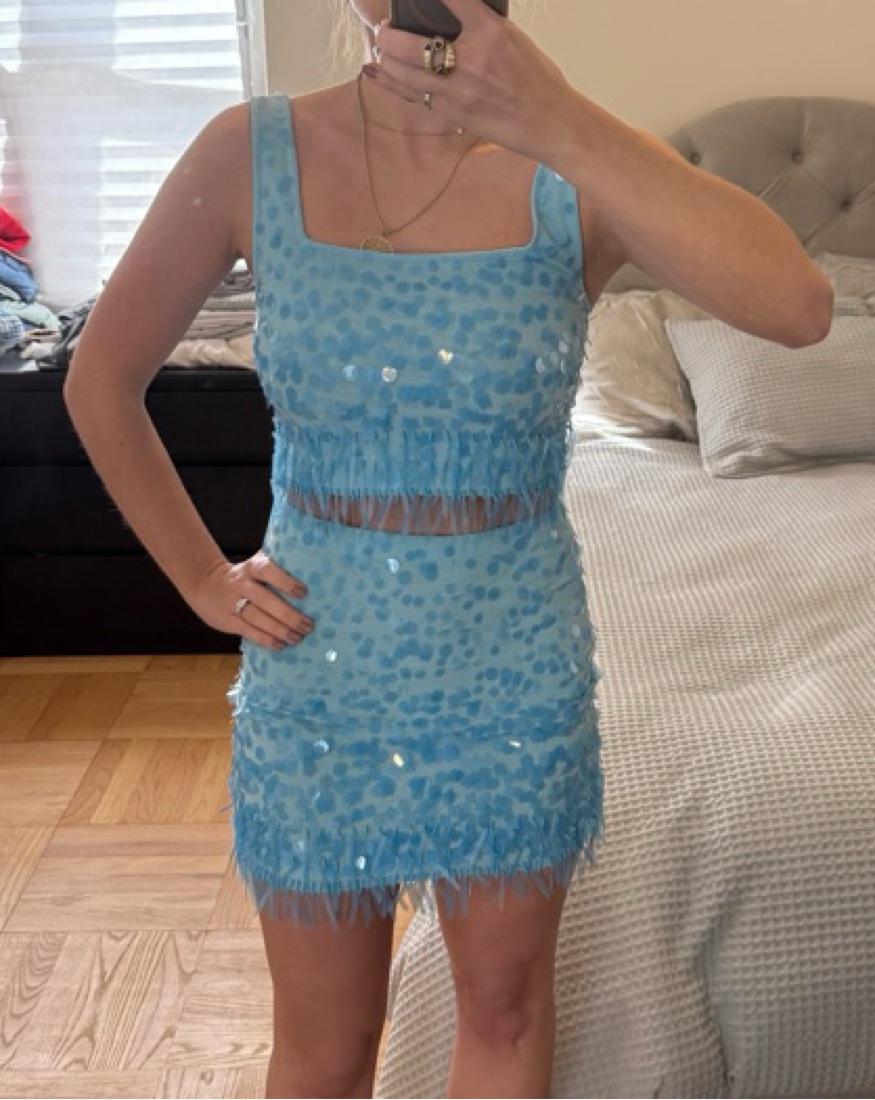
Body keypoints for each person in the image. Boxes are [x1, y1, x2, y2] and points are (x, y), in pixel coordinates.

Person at [64, 1, 832, 1096]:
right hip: (317, 669)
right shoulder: (250, 151)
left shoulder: (575, 163)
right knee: (323, 1046)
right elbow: (102, 377)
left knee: (504, 1014)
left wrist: (556, 117)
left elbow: (797, 307)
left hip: (512, 667)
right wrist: (199, 576)